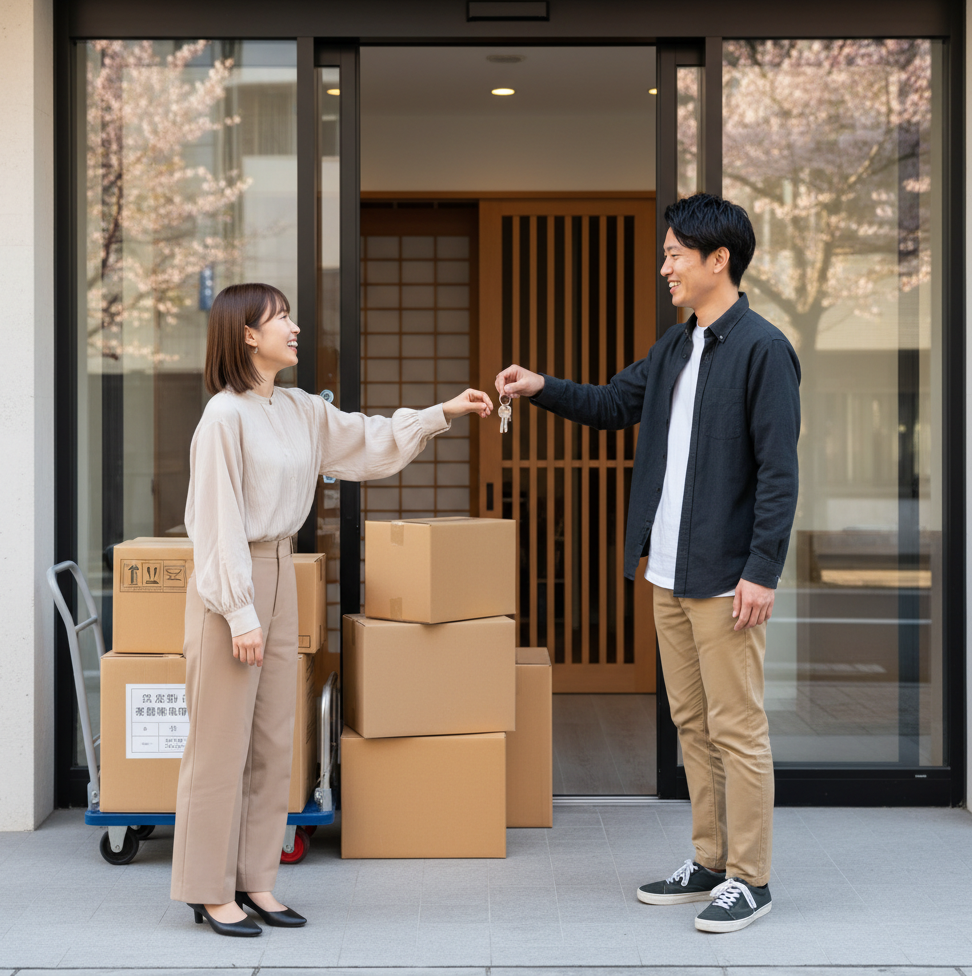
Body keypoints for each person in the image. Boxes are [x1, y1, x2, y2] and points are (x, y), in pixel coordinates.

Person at [495, 194, 800, 934]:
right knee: (692, 724)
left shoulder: (763, 349)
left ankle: (751, 877)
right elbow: (610, 404)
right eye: (665, 254)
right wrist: (539, 387)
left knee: (737, 728)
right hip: (666, 571)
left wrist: (762, 569)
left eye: (674, 254)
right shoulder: (675, 347)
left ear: (718, 259)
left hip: (726, 578)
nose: (664, 267)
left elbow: (778, 473)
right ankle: (711, 860)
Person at [171, 282, 492, 936]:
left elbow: (368, 440)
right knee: (219, 745)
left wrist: (443, 412)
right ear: (247, 336)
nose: (294, 328)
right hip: (232, 584)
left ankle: (256, 881)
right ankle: (208, 890)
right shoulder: (223, 417)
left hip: (283, 571)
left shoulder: (299, 409)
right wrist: (239, 613)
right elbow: (214, 524)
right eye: (281, 319)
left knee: (273, 741)